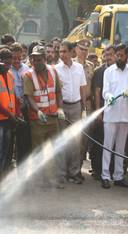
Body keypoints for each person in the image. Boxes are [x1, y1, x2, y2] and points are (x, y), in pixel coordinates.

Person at [23, 45, 65, 188]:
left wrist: (60, 108)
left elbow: (59, 92)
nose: (35, 62)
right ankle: (39, 180)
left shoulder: (53, 72)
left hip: (53, 119)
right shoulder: (28, 75)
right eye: (33, 60)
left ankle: (51, 179)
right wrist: (38, 111)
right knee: (39, 151)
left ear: (45, 59)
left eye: (38, 60)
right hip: (38, 121)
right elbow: (29, 97)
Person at [101, 44, 128, 189]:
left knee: (121, 147)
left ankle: (118, 176)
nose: (118, 57)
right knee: (108, 146)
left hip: (125, 114)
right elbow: (105, 91)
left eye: (121, 55)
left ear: (126, 56)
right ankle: (105, 176)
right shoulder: (109, 71)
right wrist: (110, 96)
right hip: (111, 115)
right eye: (116, 55)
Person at [55, 40, 87, 184]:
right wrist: (58, 108)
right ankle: (61, 173)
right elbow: (56, 92)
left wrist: (84, 108)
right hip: (62, 107)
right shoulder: (55, 69)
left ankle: (74, 172)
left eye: (64, 51)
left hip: (76, 107)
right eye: (60, 52)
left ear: (71, 52)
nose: (62, 54)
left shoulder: (79, 68)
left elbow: (82, 89)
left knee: (75, 142)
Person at [0, 48, 19, 184]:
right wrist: (9, 114)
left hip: (10, 120)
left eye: (10, 63)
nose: (8, 66)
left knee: (6, 150)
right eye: (6, 63)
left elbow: (13, 97)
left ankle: (1, 175)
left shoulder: (11, 76)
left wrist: (16, 114)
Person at [91, 45, 116, 180]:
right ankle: (97, 169)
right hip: (103, 110)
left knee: (112, 142)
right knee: (99, 140)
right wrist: (98, 112)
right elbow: (97, 91)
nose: (108, 57)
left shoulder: (118, 70)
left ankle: (111, 169)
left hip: (115, 113)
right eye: (106, 54)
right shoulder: (100, 71)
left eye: (111, 54)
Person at [74, 39, 95, 179]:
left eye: (86, 50)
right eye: (82, 49)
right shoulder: (72, 65)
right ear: (76, 49)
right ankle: (71, 168)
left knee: (84, 139)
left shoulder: (91, 66)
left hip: (87, 105)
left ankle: (78, 169)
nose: (84, 52)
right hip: (74, 104)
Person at [10, 43, 31, 166]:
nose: (17, 61)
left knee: (23, 140)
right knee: (9, 140)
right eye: (14, 58)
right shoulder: (7, 70)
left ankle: (21, 165)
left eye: (19, 58)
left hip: (24, 109)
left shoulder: (27, 69)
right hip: (10, 109)